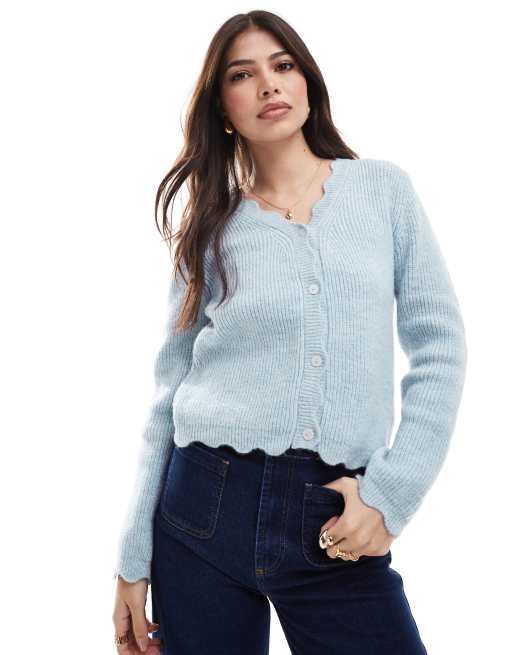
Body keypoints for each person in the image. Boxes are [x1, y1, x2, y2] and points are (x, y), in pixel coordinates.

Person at [112, 10, 467, 655]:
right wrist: (132, 559)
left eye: (282, 66)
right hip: (201, 513)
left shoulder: (382, 192)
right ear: (223, 108)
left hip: (333, 519)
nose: (268, 85)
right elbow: (169, 395)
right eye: (241, 75)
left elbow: (439, 348)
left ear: (307, 82)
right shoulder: (210, 229)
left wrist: (390, 496)